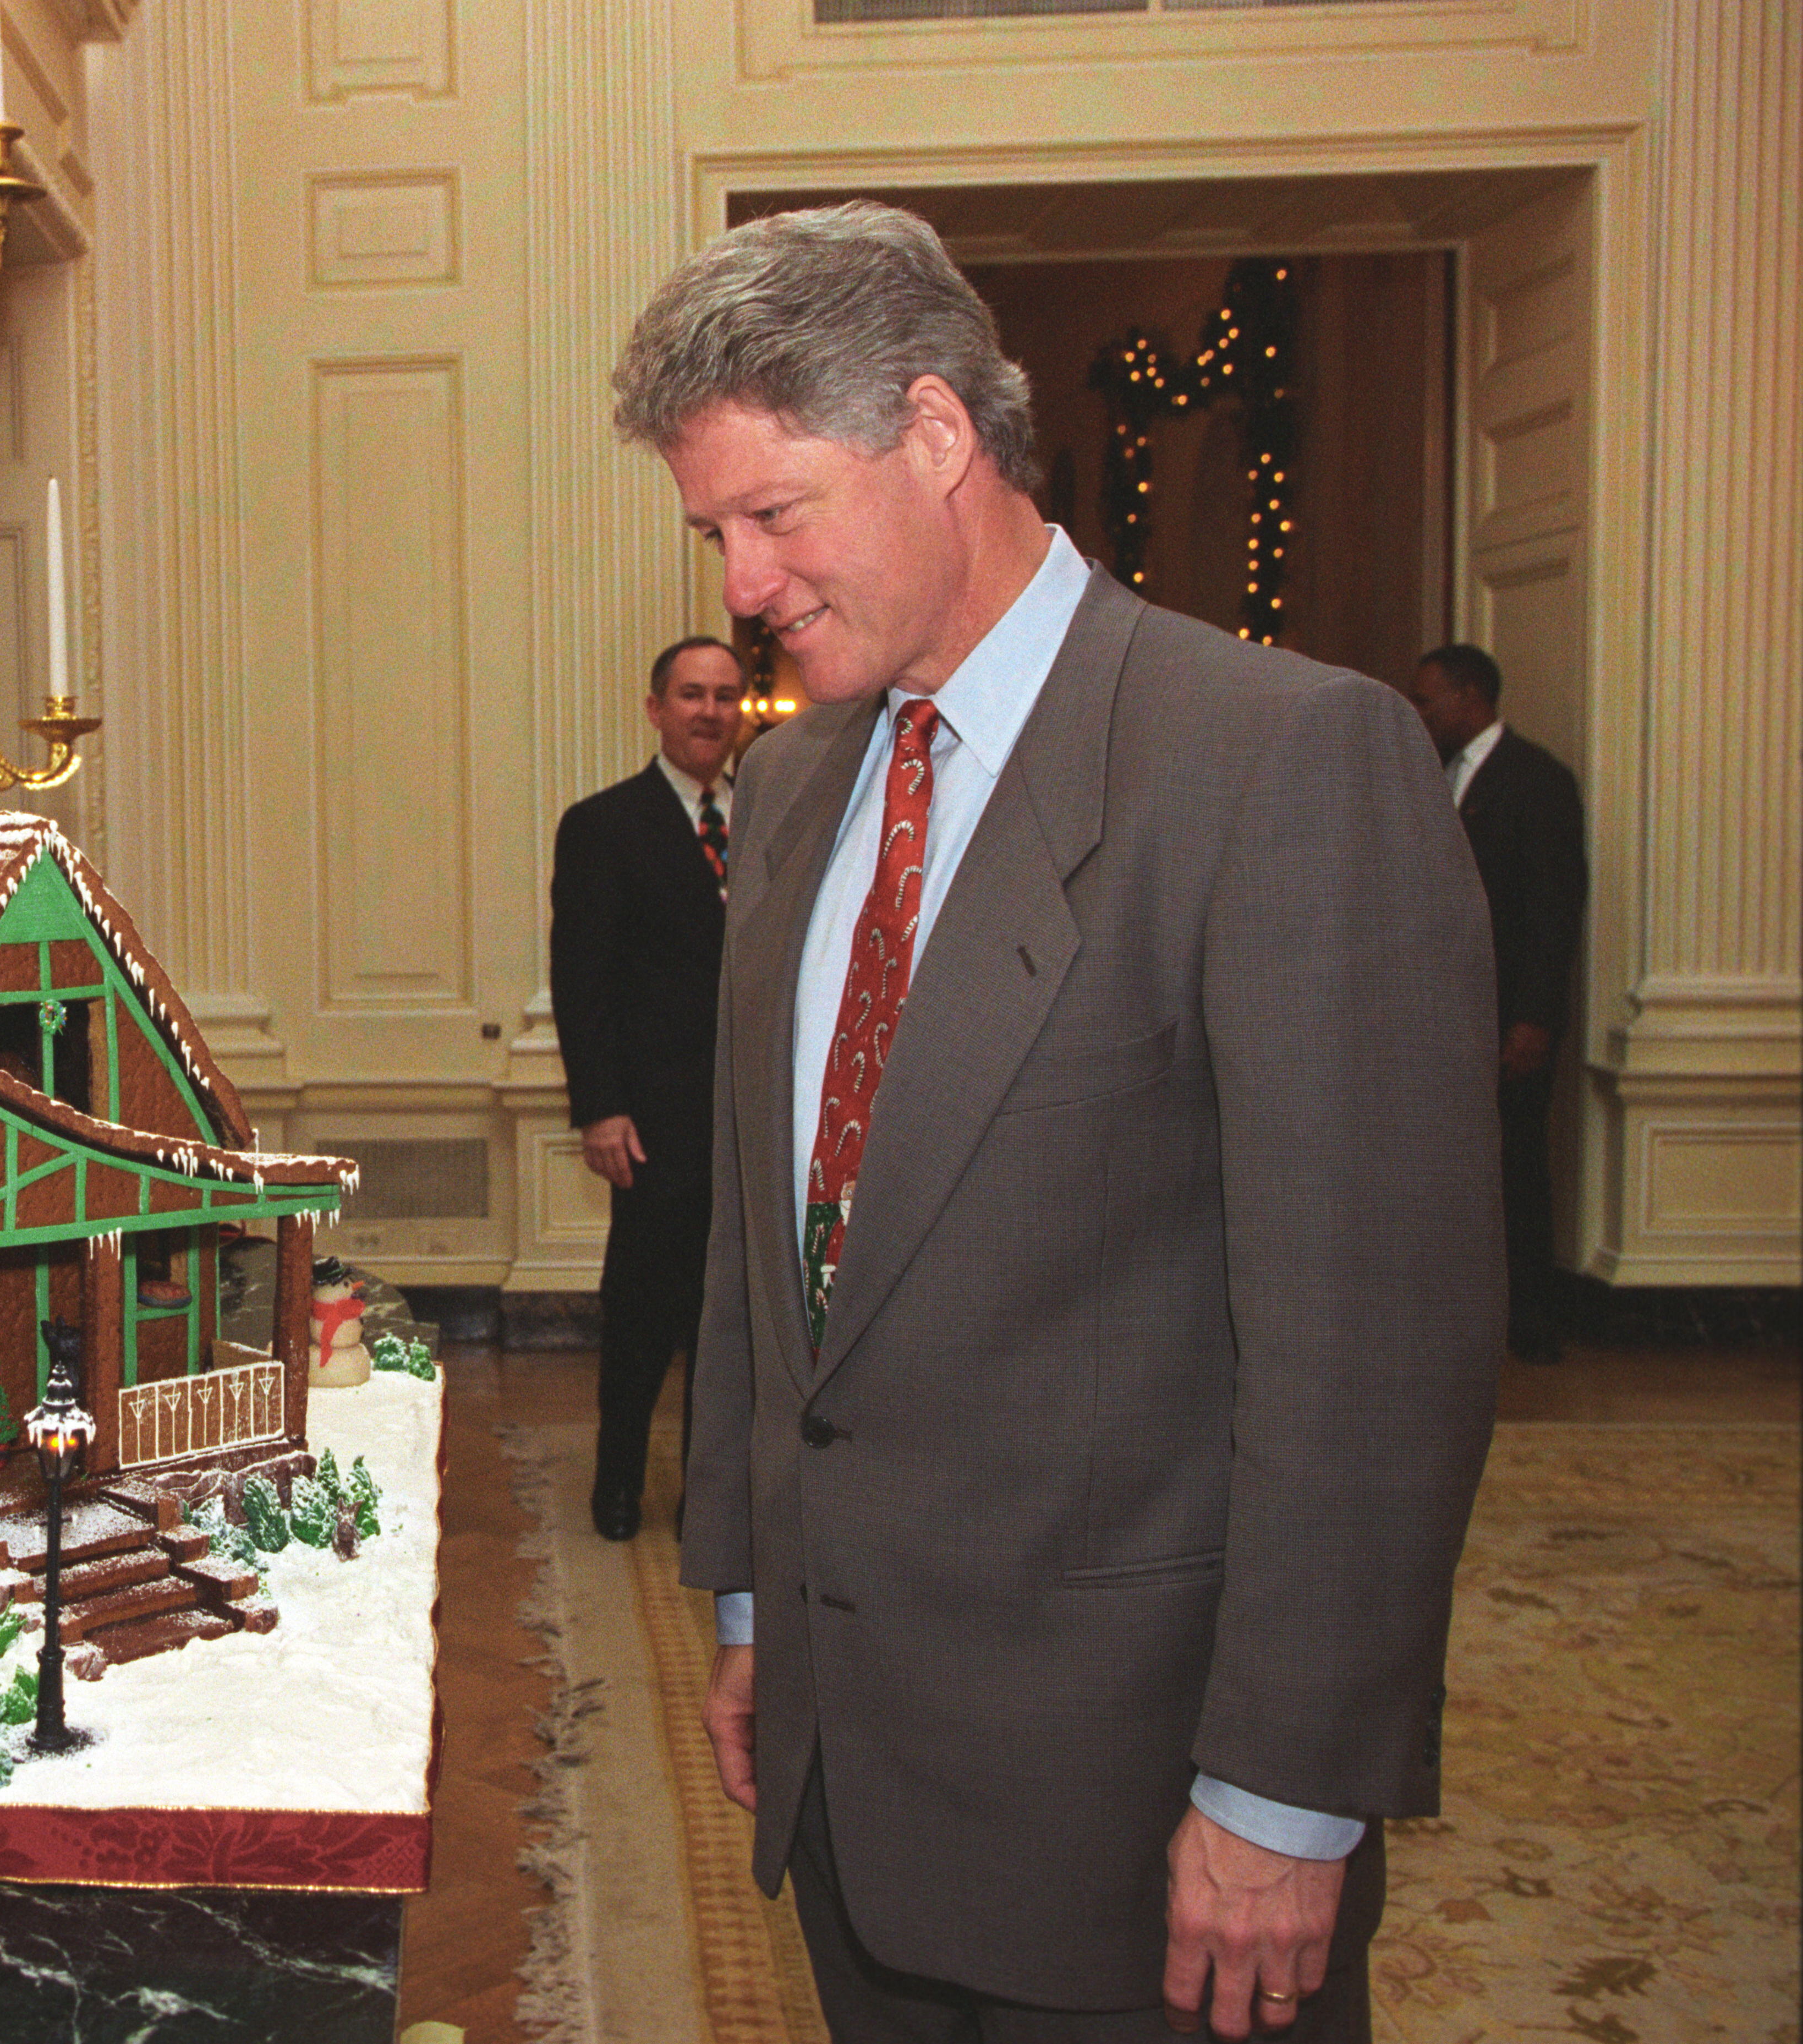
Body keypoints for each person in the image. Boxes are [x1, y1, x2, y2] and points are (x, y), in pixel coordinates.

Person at [615, 201, 1500, 2041]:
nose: (742, 586)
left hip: (1142, 1822)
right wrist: (756, 1601)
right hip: (849, 1773)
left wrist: (1278, 1794)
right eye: (714, 535)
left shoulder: (1279, 761)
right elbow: (764, 1254)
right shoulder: (786, 785)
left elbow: (1368, 1351)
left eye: (773, 516)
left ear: (935, 437)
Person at [548, 636, 744, 1540]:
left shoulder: (775, 817)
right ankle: (617, 1483)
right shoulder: (603, 825)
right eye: (691, 694)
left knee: (732, 1323)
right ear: (655, 707)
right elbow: (580, 980)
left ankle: (712, 1495)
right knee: (641, 1312)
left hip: (757, 1121)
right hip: (655, 1122)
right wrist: (599, 1106)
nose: (710, 711)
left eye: (725, 696)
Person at [1404, 643, 1587, 1363]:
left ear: (1470, 695)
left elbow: (1553, 908)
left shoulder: (1537, 780)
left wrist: (1535, 1018)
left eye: (1426, 699)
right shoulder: (1430, 778)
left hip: (1511, 1016)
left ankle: (1530, 1321)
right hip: (1443, 1020)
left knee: (1516, 1169)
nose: (1416, 713)